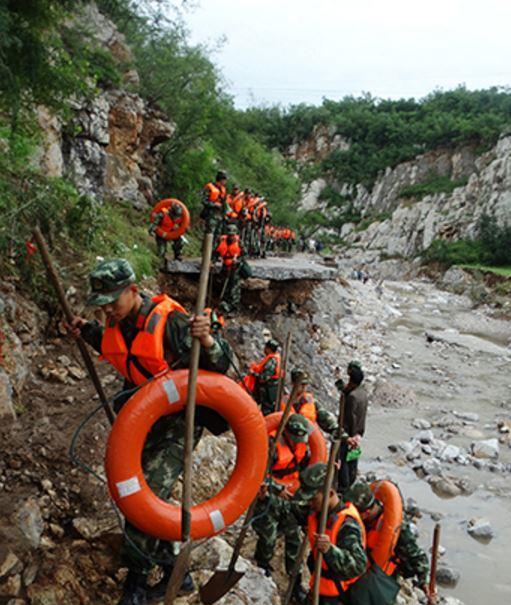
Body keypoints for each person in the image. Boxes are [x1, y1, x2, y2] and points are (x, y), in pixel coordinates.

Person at [66, 258, 232, 605]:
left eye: (113, 301)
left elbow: (219, 363)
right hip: (144, 418)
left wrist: (210, 341)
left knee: (144, 495)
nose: (109, 310)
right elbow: (115, 345)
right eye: (102, 305)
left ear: (132, 291)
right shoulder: (119, 322)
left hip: (179, 421)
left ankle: (136, 582)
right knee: (145, 497)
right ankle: (176, 571)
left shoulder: (170, 321)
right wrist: (86, 329)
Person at [253, 414, 314, 604]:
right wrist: (277, 488)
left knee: (294, 539)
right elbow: (258, 475)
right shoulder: (272, 446)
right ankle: (263, 567)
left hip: (292, 497)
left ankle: (295, 583)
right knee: (268, 537)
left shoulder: (304, 447)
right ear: (288, 434)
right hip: (271, 497)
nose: (299, 444)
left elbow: (307, 472)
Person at [293, 463, 368, 605]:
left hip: (336, 597)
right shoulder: (318, 511)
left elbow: (358, 566)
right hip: (317, 589)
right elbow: (292, 510)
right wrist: (266, 497)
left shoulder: (347, 525)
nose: (309, 503)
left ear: (331, 493)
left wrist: (330, 550)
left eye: (313, 499)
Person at [347, 481, 430, 603]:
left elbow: (417, 556)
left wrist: (424, 582)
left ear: (366, 513)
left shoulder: (396, 528)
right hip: (358, 572)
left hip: (381, 579)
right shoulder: (363, 520)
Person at [337, 361, 368, 492]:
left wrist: (349, 436)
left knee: (343, 459)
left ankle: (344, 487)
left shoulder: (352, 397)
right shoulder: (363, 393)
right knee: (352, 460)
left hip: (349, 433)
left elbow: (351, 418)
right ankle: (350, 481)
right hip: (359, 432)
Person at [287, 369, 337, 434]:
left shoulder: (310, 401)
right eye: (301, 384)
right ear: (292, 383)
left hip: (308, 439)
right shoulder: (283, 402)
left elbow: (325, 418)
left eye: (306, 384)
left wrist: (342, 435)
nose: (304, 387)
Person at [248, 339, 281, 415]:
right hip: (269, 389)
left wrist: (253, 374)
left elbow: (264, 378)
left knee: (265, 411)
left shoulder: (272, 361)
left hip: (267, 391)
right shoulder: (275, 358)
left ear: (268, 349)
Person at [216, 224, 243, 314]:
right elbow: (215, 252)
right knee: (224, 285)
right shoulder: (222, 240)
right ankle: (224, 306)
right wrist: (214, 260)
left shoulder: (239, 242)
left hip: (235, 268)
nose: (231, 236)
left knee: (234, 288)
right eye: (229, 234)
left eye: (233, 234)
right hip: (225, 266)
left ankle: (234, 308)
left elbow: (244, 255)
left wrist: (237, 261)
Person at [201, 171, 228, 247]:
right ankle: (206, 253)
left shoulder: (223, 189)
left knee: (218, 235)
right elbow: (204, 200)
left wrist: (224, 214)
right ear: (220, 179)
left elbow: (224, 203)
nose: (225, 182)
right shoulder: (210, 187)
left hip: (219, 215)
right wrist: (214, 204)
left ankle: (214, 253)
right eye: (224, 180)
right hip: (211, 214)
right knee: (209, 233)